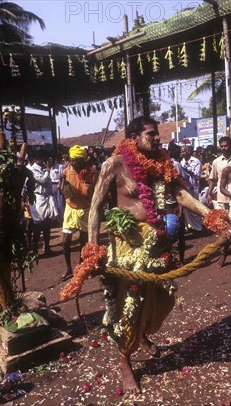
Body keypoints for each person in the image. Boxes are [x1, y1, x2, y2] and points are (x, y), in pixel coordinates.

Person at [83, 116, 216, 394]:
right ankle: (125, 361)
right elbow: (95, 209)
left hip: (156, 243)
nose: (158, 138)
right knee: (130, 302)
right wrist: (92, 250)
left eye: (157, 134)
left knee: (163, 298)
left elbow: (182, 195)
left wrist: (213, 216)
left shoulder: (162, 163)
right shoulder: (114, 165)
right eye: (151, 134)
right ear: (133, 137)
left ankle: (141, 334)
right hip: (128, 248)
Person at [59, 145, 97, 280]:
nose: (72, 163)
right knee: (65, 240)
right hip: (70, 209)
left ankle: (82, 267)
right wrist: (63, 187)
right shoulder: (66, 171)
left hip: (85, 210)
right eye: (71, 160)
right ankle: (68, 268)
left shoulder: (92, 173)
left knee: (84, 241)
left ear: (83, 160)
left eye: (75, 160)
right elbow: (61, 188)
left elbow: (96, 192)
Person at [29, 150, 59, 256]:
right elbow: (42, 180)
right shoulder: (32, 170)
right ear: (38, 159)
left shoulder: (43, 168)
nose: (46, 161)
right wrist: (47, 170)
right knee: (38, 225)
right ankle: (35, 250)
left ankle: (47, 247)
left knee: (47, 224)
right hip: (39, 199)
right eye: (44, 159)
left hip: (47, 199)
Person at [206, 136, 231, 211]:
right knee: (223, 220)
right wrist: (209, 193)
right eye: (222, 146)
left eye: (226, 146)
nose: (223, 148)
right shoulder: (216, 162)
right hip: (222, 197)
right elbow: (213, 179)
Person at [181, 144, 203, 232]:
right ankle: (189, 226)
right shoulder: (181, 162)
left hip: (194, 189)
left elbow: (197, 176)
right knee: (186, 207)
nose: (182, 153)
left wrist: (187, 171)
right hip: (185, 188)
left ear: (188, 151)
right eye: (181, 152)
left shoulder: (196, 161)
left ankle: (198, 227)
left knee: (195, 208)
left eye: (183, 151)